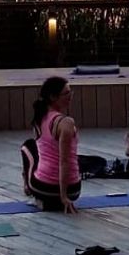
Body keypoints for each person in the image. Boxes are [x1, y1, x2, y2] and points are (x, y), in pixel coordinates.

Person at [25, 77, 83, 213]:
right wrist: (64, 196)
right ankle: (46, 197)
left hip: (45, 189)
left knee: (27, 148)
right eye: (66, 93)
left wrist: (63, 197)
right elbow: (64, 161)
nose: (70, 96)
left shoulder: (40, 119)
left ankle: (27, 186)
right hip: (73, 190)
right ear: (52, 97)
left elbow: (64, 161)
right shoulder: (65, 123)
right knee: (32, 147)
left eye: (71, 92)